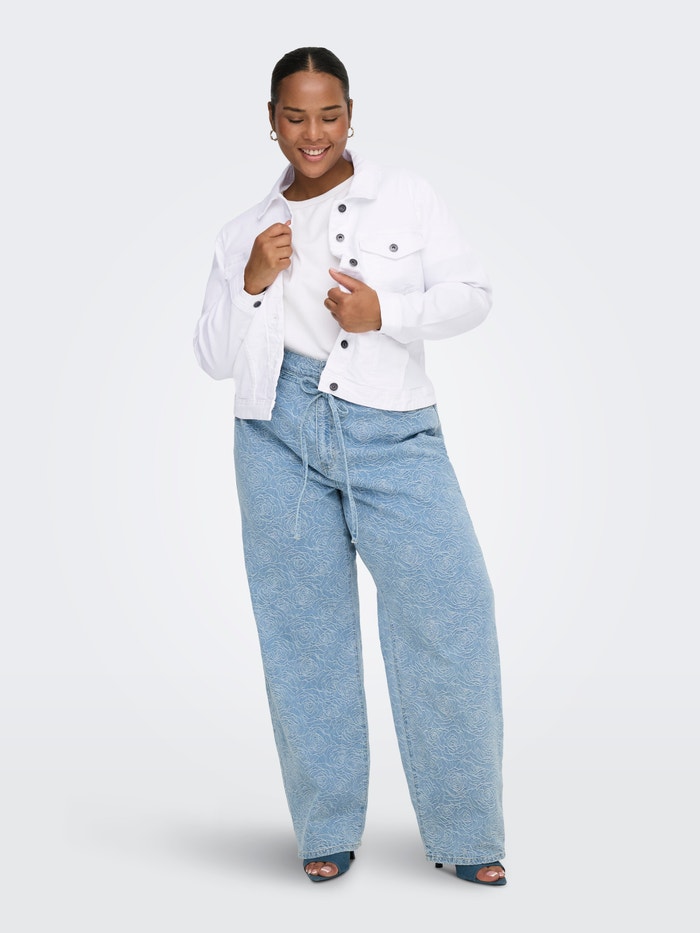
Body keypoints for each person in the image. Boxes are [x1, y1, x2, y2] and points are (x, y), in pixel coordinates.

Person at [193, 46, 506, 886]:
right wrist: (253, 280)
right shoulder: (242, 231)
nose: (314, 133)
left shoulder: (405, 195)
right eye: (295, 117)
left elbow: (473, 294)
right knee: (304, 635)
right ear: (271, 121)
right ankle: (324, 826)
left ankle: (468, 832)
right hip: (276, 433)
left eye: (329, 115)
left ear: (351, 114)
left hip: (393, 429)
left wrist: (385, 312)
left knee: (453, 612)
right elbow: (213, 356)